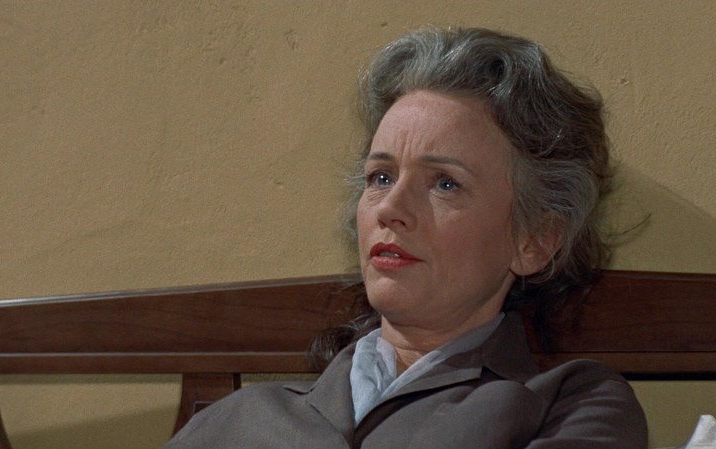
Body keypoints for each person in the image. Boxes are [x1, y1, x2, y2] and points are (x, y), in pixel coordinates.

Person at [162, 26, 647, 448]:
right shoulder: (239, 418)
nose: (390, 209)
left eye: (445, 184)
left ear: (534, 240)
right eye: (381, 177)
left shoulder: (568, 403)